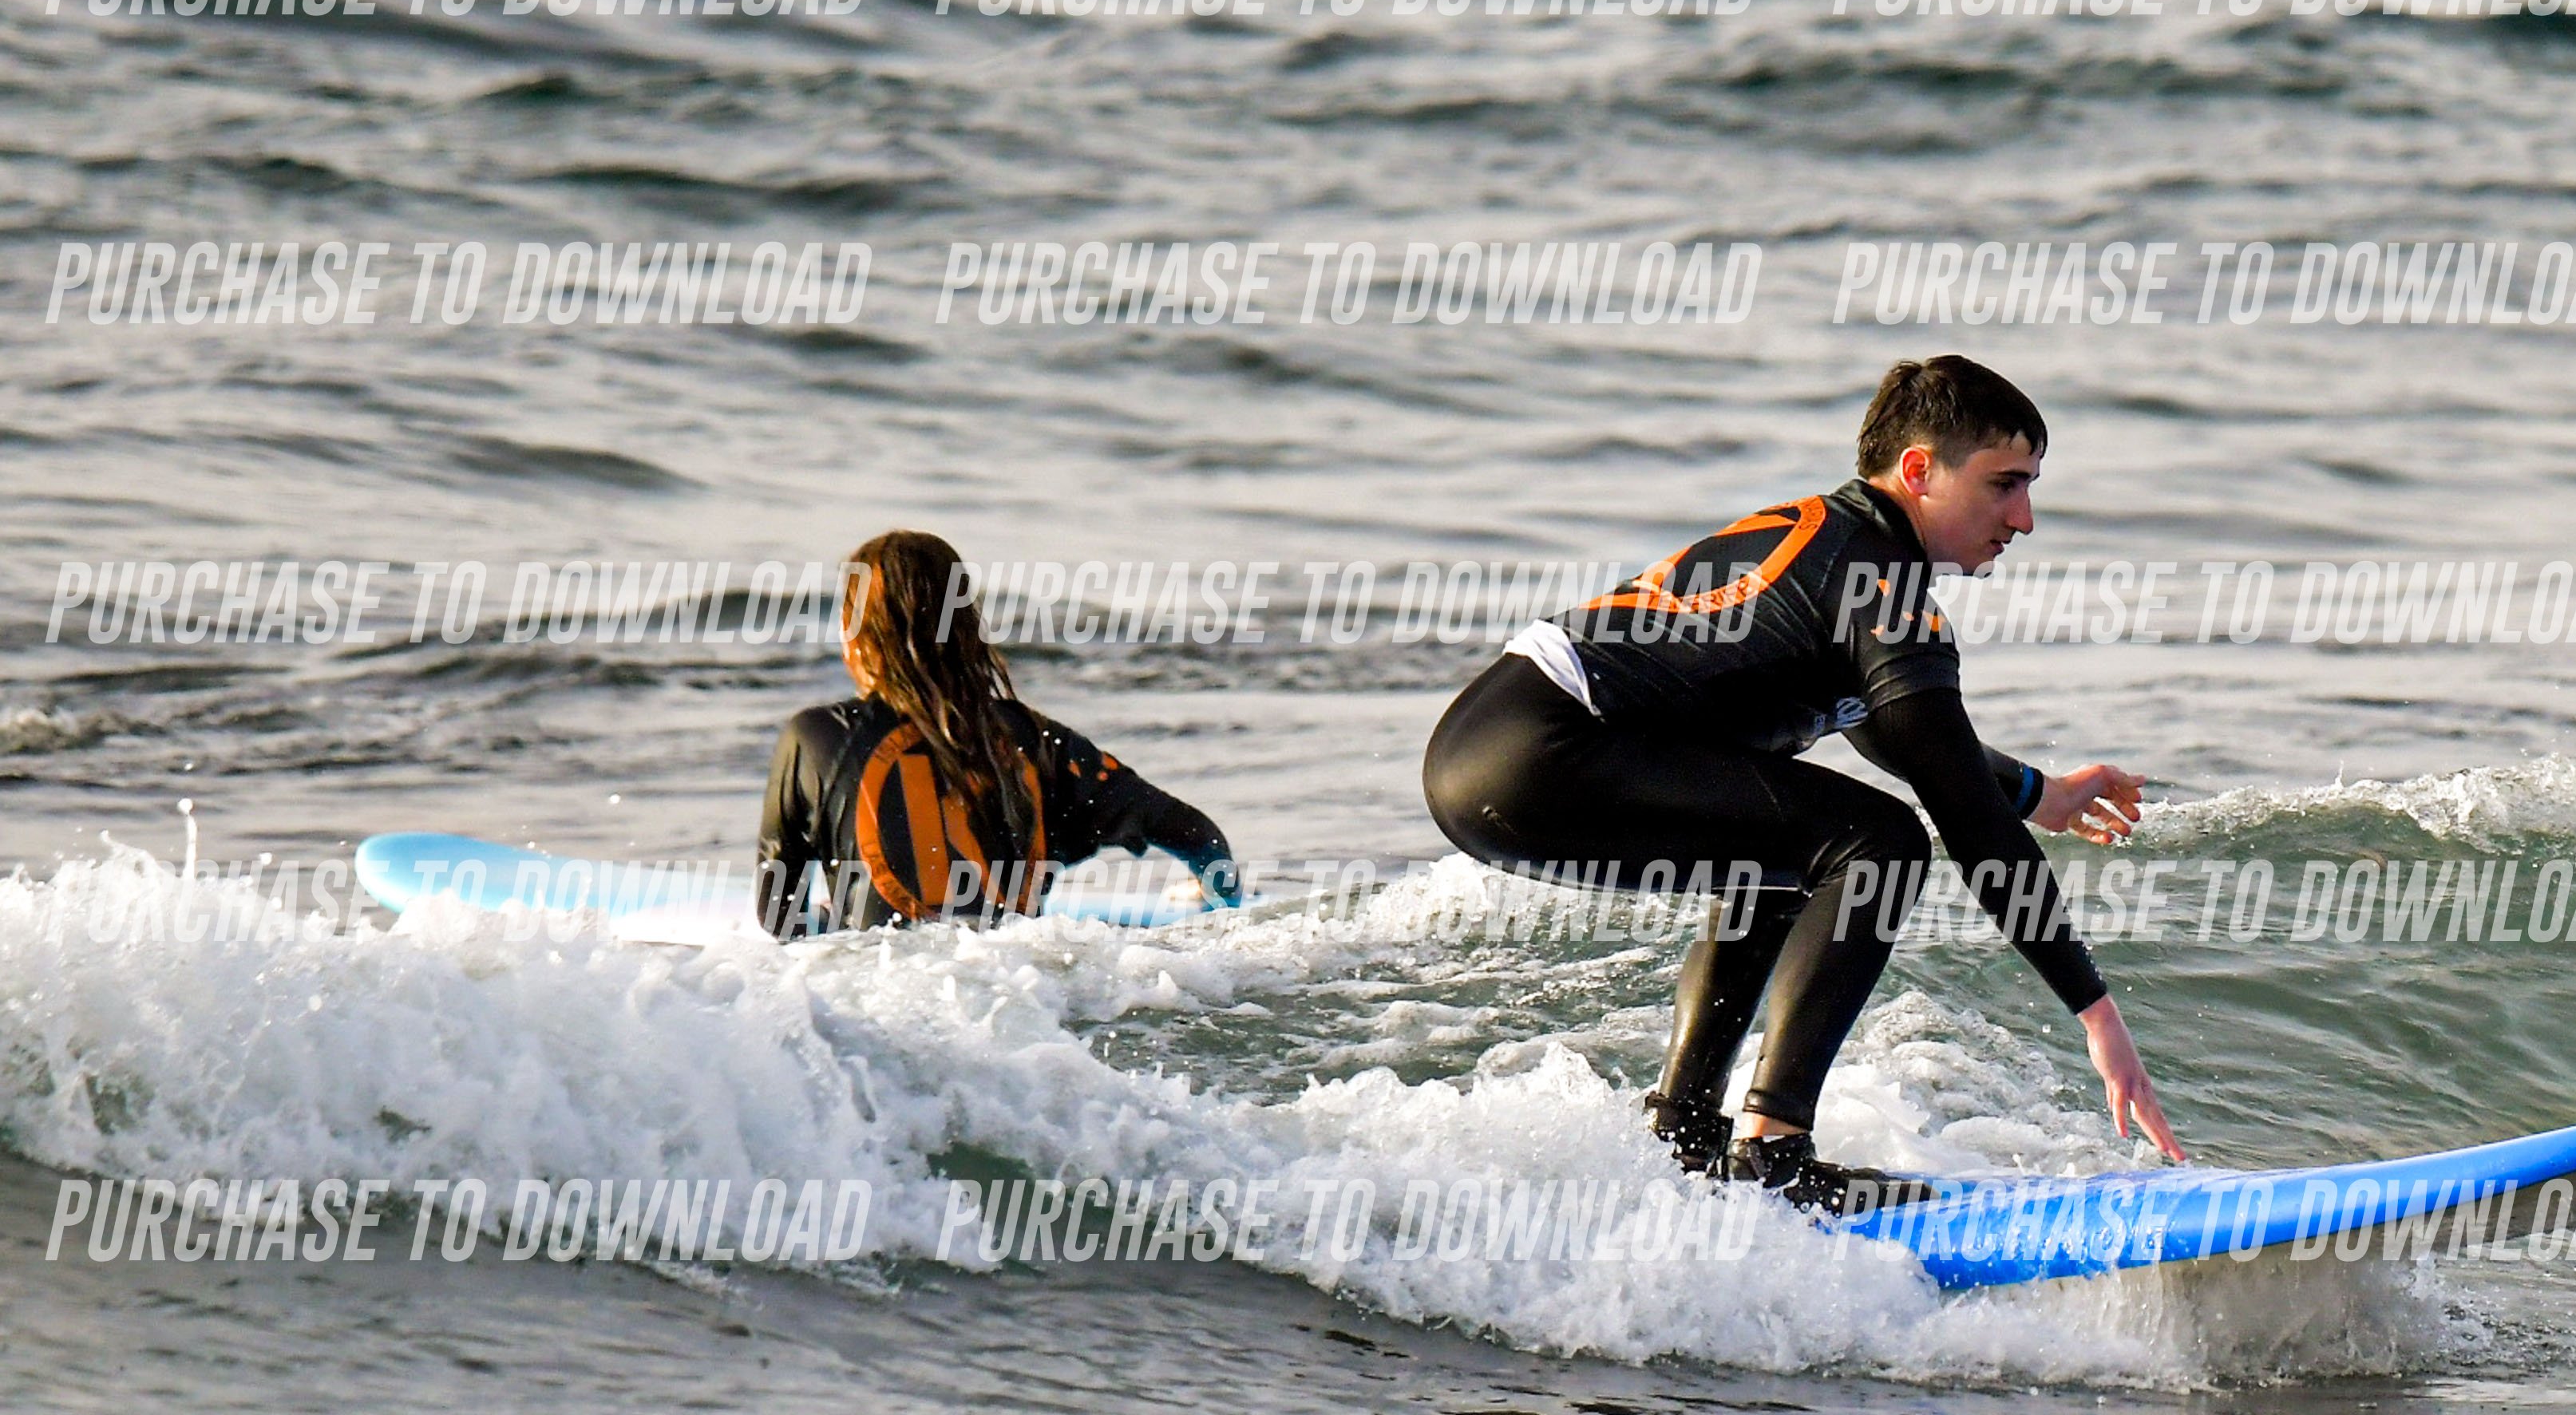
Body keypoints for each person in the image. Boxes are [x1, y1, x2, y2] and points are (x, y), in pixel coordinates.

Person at [1423, 356, 2180, 1211]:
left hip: (1489, 752)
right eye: (2004, 484)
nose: (2025, 518)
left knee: (1789, 853)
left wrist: (2041, 793)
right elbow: (1965, 818)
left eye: (2030, 488)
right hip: (1547, 746)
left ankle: (1685, 1137)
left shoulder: (1832, 547)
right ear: (1920, 470)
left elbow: (1905, 737)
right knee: (1879, 843)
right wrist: (2096, 1014)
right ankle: (1774, 1151)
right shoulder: (1879, 587)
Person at [757, 529, 1239, 936]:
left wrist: (836, 921)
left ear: (857, 638)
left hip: (885, 989)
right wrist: (1218, 899)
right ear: (968, 627)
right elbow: (1196, 834)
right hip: (1018, 983)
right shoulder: (1037, 740)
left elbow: (778, 915)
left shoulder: (815, 737)